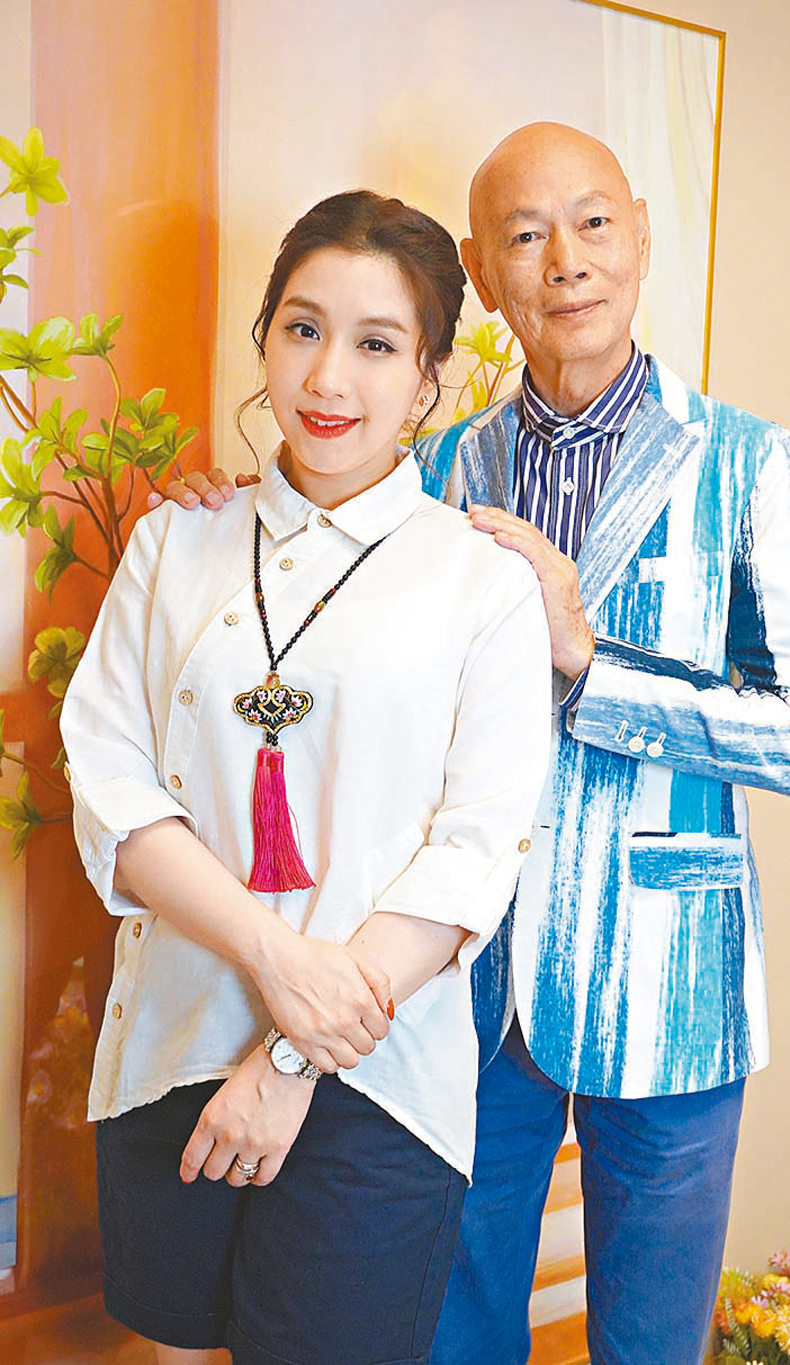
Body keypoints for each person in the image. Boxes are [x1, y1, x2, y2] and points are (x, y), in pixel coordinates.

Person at [159, 124, 790, 1365]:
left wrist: (592, 662)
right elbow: (323, 638)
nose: (566, 260)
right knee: (453, 1333)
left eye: (593, 223)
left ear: (640, 234)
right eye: (525, 236)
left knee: (649, 1345)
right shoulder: (430, 466)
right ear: (482, 274)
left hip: (671, 986)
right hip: (459, 991)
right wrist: (222, 519)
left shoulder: (751, 461)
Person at [60, 188, 552, 1365]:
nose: (329, 377)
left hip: (375, 1080)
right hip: (175, 1042)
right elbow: (113, 785)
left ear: (427, 380)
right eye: (302, 328)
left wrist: (288, 1057)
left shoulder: (480, 584)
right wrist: (277, 962)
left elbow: (471, 853)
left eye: (377, 345)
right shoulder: (175, 541)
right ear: (265, 338)